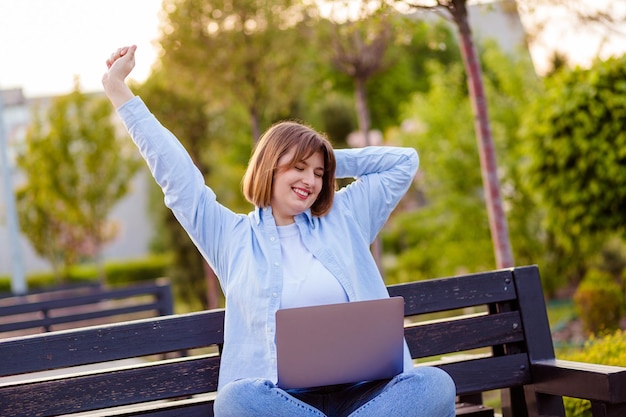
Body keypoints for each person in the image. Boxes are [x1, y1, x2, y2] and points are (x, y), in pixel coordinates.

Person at [103, 45, 456, 417]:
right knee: (235, 401)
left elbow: (404, 162)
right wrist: (117, 89)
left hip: (367, 395)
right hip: (284, 404)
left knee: (434, 385)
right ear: (269, 167)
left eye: (319, 174)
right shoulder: (232, 237)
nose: (311, 181)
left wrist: (327, 157)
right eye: (298, 168)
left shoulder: (345, 217)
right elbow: (177, 178)